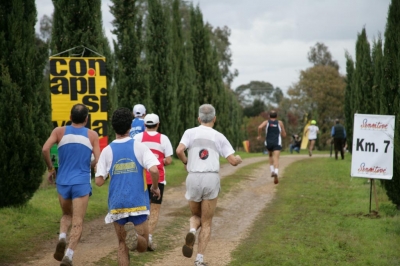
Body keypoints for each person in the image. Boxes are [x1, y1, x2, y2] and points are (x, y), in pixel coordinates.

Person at [176, 104, 242, 266]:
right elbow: (232, 161)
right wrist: (239, 159)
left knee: (196, 215)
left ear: (198, 119)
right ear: (214, 119)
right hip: (210, 178)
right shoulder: (218, 136)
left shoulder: (189, 132)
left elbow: (179, 150)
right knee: (206, 221)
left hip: (193, 177)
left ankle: (192, 231)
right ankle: (199, 260)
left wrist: (186, 162)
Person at [95, 107, 161, 266]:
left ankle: (131, 238)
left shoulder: (107, 150)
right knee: (143, 244)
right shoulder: (139, 146)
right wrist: (155, 188)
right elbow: (153, 169)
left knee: (122, 245)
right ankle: (137, 238)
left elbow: (99, 181)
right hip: (137, 201)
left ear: (113, 127)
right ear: (130, 126)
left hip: (117, 203)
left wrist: (99, 168)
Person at [42, 104, 100, 266]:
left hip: (63, 181)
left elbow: (45, 149)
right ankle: (69, 255)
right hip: (81, 182)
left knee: (66, 214)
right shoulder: (92, 135)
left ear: (70, 117)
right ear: (86, 119)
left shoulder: (58, 131)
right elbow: (98, 160)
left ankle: (61, 237)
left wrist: (51, 168)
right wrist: (90, 165)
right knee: (78, 221)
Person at [133, 113, 173, 251]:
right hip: (158, 178)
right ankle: (148, 238)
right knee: (154, 210)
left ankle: (139, 236)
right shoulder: (164, 139)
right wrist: (159, 162)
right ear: (158, 124)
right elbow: (168, 160)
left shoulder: (137, 138)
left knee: (141, 208)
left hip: (140, 178)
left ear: (145, 125)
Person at [257, 110, 287, 184]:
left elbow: (260, 127)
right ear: (276, 116)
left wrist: (259, 135)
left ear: (269, 116)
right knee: (276, 158)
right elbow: (284, 135)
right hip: (277, 142)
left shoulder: (266, 122)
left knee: (270, 155)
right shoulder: (280, 123)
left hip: (268, 142)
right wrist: (282, 133)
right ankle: (276, 172)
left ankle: (272, 170)